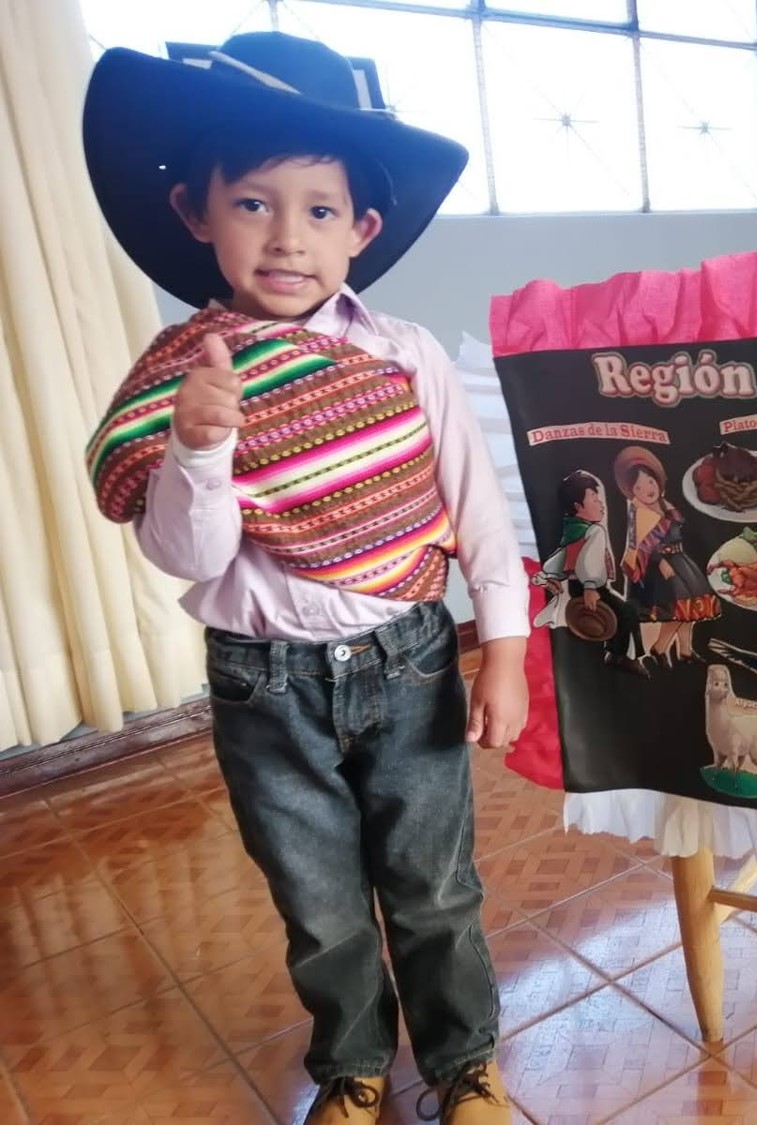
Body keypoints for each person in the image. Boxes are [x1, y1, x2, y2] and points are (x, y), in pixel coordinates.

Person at [82, 33, 527, 1125]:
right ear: (195, 211)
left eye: (319, 210)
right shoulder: (182, 379)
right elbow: (187, 554)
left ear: (360, 230)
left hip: (410, 661)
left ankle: (464, 1060)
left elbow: (475, 508)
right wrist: (199, 448)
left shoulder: (404, 354)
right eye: (253, 204)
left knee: (433, 885)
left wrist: (507, 651)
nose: (287, 237)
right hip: (261, 683)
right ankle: (353, 1063)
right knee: (317, 897)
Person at [532, 470, 648, 676]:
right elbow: (588, 561)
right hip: (590, 587)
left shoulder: (573, 529)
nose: (601, 504)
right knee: (627, 613)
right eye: (594, 499)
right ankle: (627, 657)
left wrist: (549, 575)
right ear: (578, 507)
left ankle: (615, 652)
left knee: (620, 614)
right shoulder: (594, 531)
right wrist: (590, 587)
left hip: (577, 587)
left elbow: (562, 556)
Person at [613, 447, 720, 667]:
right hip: (660, 568)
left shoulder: (664, 504)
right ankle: (659, 648)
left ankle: (685, 651)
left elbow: (678, 525)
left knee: (691, 610)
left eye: (650, 481)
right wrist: (660, 562)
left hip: (681, 561)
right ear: (632, 492)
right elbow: (641, 546)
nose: (647, 489)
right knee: (678, 612)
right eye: (639, 487)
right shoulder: (640, 513)